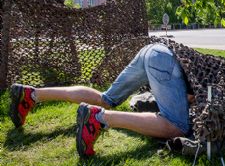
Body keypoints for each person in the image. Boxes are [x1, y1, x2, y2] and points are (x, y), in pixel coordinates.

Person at [9, 43, 192, 158]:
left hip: (153, 50)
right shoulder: (215, 84)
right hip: (164, 61)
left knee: (105, 98)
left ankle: (32, 95)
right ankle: (99, 119)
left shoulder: (212, 68)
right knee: (177, 126)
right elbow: (191, 97)